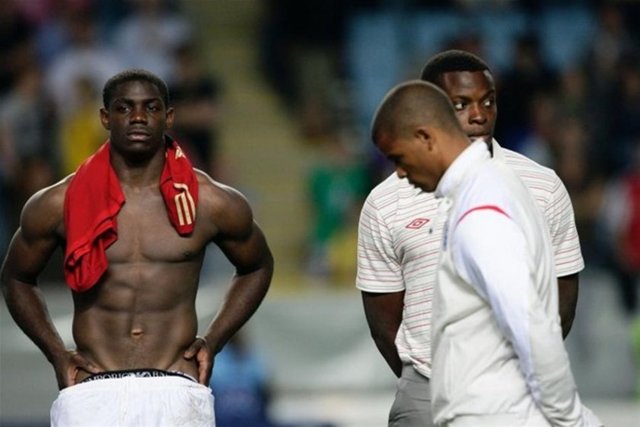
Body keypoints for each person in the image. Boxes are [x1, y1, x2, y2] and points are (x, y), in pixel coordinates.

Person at [0, 69, 274, 426]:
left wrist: (214, 340)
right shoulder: (58, 203)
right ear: (105, 117)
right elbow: (16, 277)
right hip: (92, 388)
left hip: (176, 386)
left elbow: (258, 265)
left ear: (169, 117)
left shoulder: (211, 202)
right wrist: (56, 352)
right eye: (125, 108)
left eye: (151, 107)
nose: (139, 117)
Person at [356, 50, 583, 426]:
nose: (479, 115)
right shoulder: (385, 202)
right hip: (427, 393)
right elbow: (383, 323)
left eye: (488, 101)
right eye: (460, 104)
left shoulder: (543, 188)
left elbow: (562, 300)